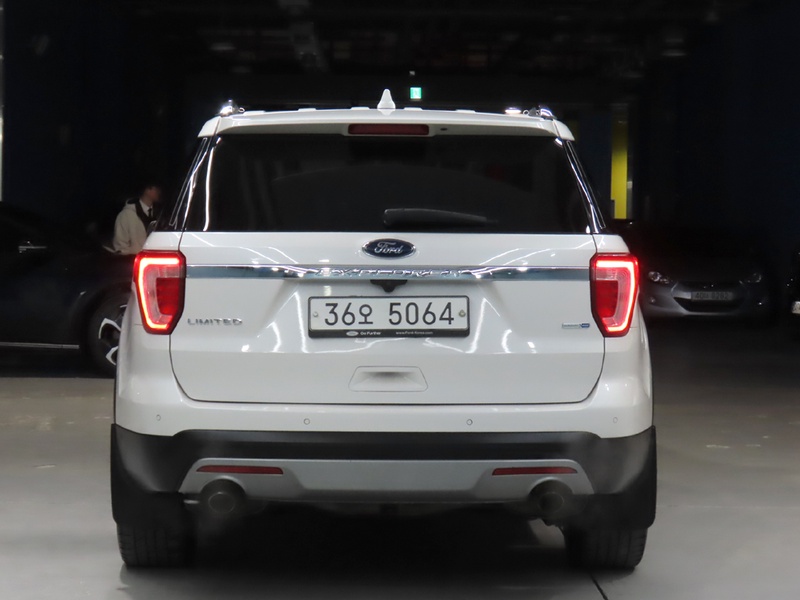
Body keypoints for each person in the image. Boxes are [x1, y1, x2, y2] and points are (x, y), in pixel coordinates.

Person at [112, 183, 162, 254]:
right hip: (134, 259)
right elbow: (120, 247)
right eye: (156, 188)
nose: (159, 191)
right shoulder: (126, 215)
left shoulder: (159, 214)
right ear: (147, 190)